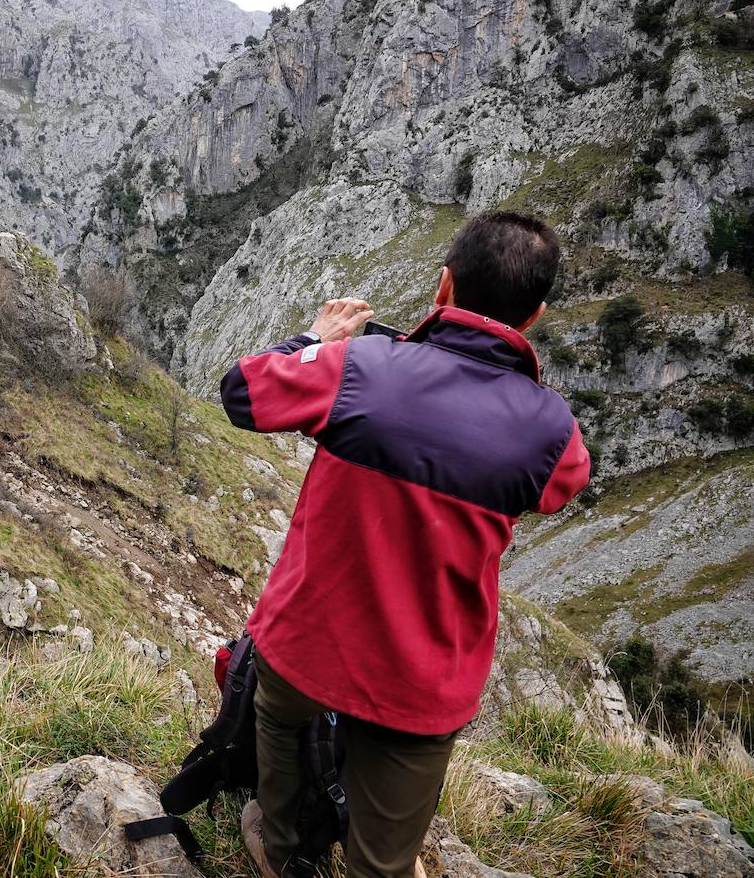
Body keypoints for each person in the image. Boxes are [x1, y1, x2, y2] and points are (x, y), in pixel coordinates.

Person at [220, 212, 590, 878]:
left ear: (443, 286)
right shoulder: (550, 431)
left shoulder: (357, 368)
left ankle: (276, 848)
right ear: (533, 315)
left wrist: (318, 339)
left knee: (277, 718)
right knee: (385, 861)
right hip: (421, 679)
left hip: (308, 642)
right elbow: (563, 487)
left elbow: (241, 394)